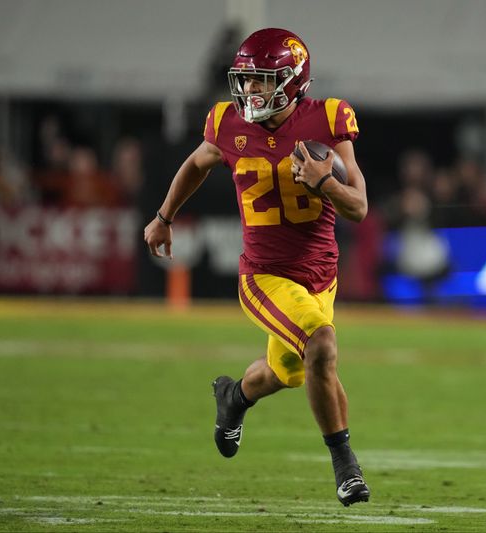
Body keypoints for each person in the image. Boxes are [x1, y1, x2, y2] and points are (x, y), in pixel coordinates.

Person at [144, 28, 370, 506]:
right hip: (263, 276)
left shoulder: (330, 118)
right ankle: (346, 467)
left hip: (320, 277)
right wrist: (165, 217)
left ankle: (234, 398)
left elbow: (359, 208)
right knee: (322, 347)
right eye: (246, 81)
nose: (250, 91)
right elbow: (196, 164)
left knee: (286, 371)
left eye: (263, 81)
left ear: (292, 82)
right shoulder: (226, 122)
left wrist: (324, 182)